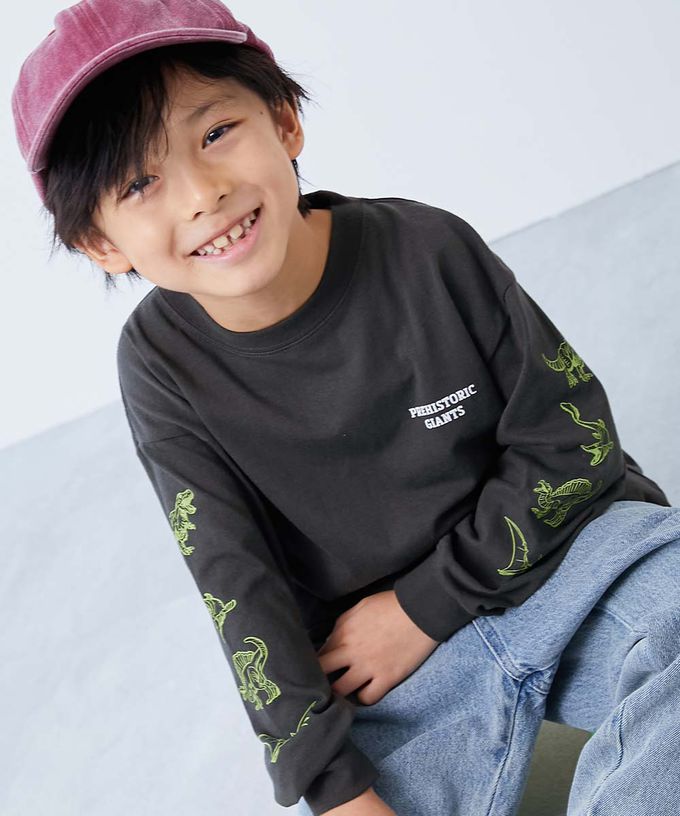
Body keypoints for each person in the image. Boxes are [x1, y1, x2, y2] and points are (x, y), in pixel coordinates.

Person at [11, 2, 679, 814]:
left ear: (284, 121)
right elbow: (240, 587)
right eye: (139, 183)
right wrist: (334, 788)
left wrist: (423, 606)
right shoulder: (159, 368)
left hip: (562, 566)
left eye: (215, 133)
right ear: (102, 243)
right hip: (382, 670)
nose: (202, 194)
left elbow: (574, 442)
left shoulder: (427, 249)